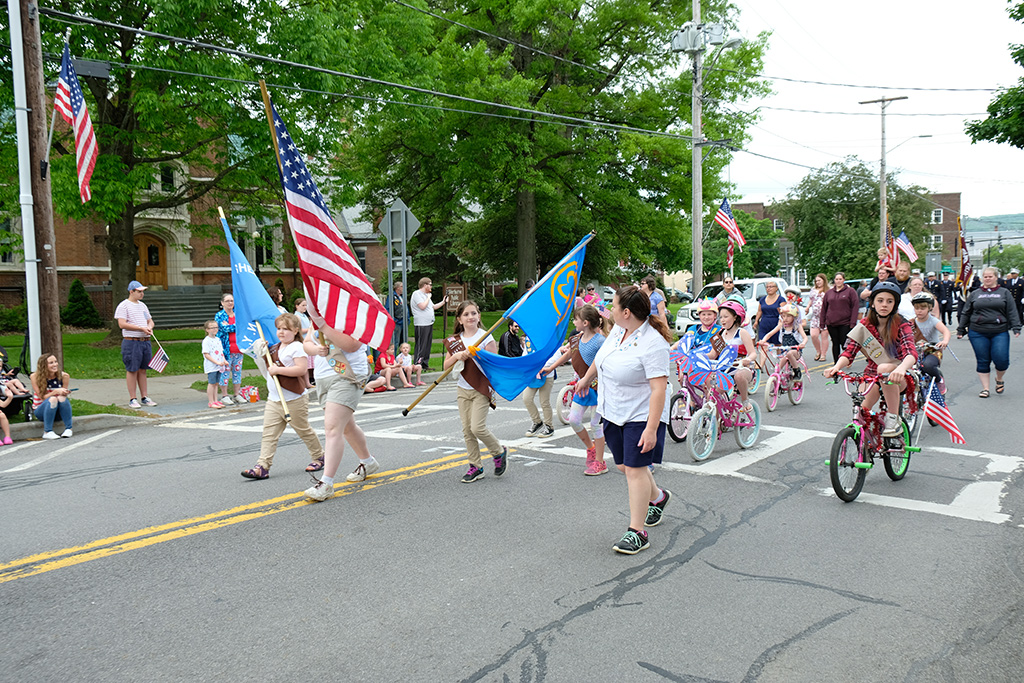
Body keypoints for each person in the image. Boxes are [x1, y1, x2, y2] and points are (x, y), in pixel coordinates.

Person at [575, 286, 672, 555]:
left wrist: (651, 429)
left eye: (614, 306)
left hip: (641, 415)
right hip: (612, 410)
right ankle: (659, 497)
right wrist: (586, 378)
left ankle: (637, 531)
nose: (609, 309)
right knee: (622, 466)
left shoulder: (654, 344)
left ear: (626, 312)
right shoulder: (618, 330)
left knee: (635, 470)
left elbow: (658, 389)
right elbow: (601, 357)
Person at [302, 320, 382, 501]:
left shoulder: (350, 310)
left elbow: (353, 345)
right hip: (323, 376)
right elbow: (307, 342)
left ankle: (326, 483)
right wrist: (316, 350)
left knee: (332, 427)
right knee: (346, 426)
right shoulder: (318, 312)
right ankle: (368, 462)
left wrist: (325, 328)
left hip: (348, 373)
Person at [825, 281, 918, 436]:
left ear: (895, 305)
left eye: (889, 301)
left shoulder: (901, 324)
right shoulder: (864, 325)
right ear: (873, 303)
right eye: (880, 300)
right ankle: (865, 445)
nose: (884, 305)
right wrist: (836, 367)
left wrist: (901, 368)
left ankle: (893, 419)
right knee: (861, 413)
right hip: (872, 376)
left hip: (900, 376)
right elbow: (849, 352)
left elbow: (911, 353)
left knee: (883, 369)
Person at [240, 313, 324, 480]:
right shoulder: (276, 347)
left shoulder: (297, 347)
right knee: (269, 434)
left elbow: (301, 369)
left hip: (294, 399)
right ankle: (262, 466)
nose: (281, 332)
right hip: (274, 399)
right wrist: (262, 351)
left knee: (303, 430)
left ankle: (319, 457)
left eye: (286, 329)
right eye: (279, 328)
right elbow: (267, 366)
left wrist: (279, 370)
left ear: (295, 331)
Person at [443, 300, 508, 483]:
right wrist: (457, 356)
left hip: (481, 387)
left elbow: (494, 364)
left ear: (478, 316)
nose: (470, 317)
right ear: (459, 319)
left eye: (473, 313)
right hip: (463, 389)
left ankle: (499, 451)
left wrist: (478, 353)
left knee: (477, 427)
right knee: (467, 430)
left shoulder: (485, 337)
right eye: (466, 314)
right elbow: (446, 366)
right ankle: (476, 466)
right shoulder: (455, 340)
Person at [543, 304, 608, 474]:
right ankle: (590, 448)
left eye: (576, 319)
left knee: (596, 425)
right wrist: (551, 367)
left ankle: (600, 462)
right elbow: (569, 354)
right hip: (581, 387)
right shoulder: (576, 338)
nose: (574, 322)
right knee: (574, 420)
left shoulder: (601, 341)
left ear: (585, 322)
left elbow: (603, 364)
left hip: (597, 388)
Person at [957, 267, 1022, 398]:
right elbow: (966, 311)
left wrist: (1016, 327)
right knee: (983, 360)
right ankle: (985, 389)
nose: (987, 279)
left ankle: (999, 378)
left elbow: (1012, 311)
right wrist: (961, 329)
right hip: (977, 331)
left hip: (999, 331)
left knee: (1001, 360)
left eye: (990, 276)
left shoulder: (1004, 293)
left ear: (996, 277)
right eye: (985, 276)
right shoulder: (975, 293)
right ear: (982, 278)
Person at [115, 280, 158, 409]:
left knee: (143, 370)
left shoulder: (143, 306)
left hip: (145, 341)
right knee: (132, 369)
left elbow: (150, 321)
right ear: (131, 291)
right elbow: (122, 324)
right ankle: (132, 398)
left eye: (143, 292)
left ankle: (144, 396)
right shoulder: (124, 306)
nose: (141, 294)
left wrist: (149, 327)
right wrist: (140, 328)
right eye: (139, 292)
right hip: (131, 341)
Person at [714, 300, 759, 409]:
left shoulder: (742, 333)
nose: (723, 320)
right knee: (714, 393)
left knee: (739, 376)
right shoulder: (719, 334)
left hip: (742, 368)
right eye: (721, 317)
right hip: (725, 370)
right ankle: (717, 419)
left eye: (726, 316)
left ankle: (745, 402)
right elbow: (713, 353)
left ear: (735, 317)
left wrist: (747, 360)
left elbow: (753, 353)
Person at [909, 292, 950, 394]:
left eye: (922, 308)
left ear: (929, 308)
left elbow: (946, 331)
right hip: (916, 350)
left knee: (928, 365)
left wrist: (944, 341)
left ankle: (938, 380)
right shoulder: (911, 322)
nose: (919, 311)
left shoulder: (933, 320)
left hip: (932, 350)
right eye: (917, 308)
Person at [820, 272, 861, 363]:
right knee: (835, 343)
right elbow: (824, 308)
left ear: (843, 280)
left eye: (840, 279)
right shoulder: (829, 293)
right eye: (837, 279)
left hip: (845, 322)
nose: (838, 281)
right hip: (831, 322)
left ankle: (847, 360)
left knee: (844, 343)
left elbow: (855, 306)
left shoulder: (850, 291)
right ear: (834, 280)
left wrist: (853, 322)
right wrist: (822, 322)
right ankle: (836, 362)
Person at [30, 353, 73, 440]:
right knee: (52, 399)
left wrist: (64, 392)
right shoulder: (35, 376)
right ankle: (47, 431)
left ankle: (69, 429)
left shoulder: (64, 376)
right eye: (51, 363)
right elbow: (42, 397)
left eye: (55, 362)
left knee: (62, 397)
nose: (55, 365)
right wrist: (55, 392)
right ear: (44, 366)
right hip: (41, 410)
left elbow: (62, 395)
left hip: (58, 411)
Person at [410, 278, 447, 371]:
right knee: (421, 345)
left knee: (427, 344)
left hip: (429, 323)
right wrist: (428, 297)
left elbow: (433, 307)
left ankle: (425, 364)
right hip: (421, 323)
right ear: (425, 285)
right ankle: (418, 364)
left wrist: (443, 302)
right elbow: (422, 306)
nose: (431, 286)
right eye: (430, 284)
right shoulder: (417, 294)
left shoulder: (426, 295)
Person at [215, 293, 245, 405]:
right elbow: (224, 328)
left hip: (238, 348)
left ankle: (237, 394)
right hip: (225, 349)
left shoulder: (238, 315)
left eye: (232, 301)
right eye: (227, 301)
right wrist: (237, 326)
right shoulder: (219, 315)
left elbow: (244, 327)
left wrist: (236, 326)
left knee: (237, 372)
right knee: (225, 372)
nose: (230, 303)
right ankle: (224, 395)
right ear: (222, 303)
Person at [762, 303, 806, 380]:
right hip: (785, 352)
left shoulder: (797, 326)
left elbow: (805, 337)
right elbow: (770, 334)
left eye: (788, 316)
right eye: (784, 316)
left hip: (796, 351)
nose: (785, 318)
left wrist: (802, 343)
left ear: (794, 317)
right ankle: (776, 384)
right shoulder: (781, 326)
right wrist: (763, 340)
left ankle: (797, 370)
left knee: (789, 354)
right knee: (778, 367)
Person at [202, 321, 228, 409]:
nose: (215, 329)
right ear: (207, 330)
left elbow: (221, 352)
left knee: (216, 383)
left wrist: (224, 360)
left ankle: (216, 400)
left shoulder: (218, 340)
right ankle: (211, 401)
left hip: (219, 365)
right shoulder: (206, 341)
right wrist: (216, 362)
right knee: (211, 383)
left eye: (216, 327)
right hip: (211, 366)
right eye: (212, 328)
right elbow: (206, 354)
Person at [806, 273, 830, 362]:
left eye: (819, 280)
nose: (818, 282)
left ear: (824, 280)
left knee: (824, 336)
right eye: (816, 281)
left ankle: (823, 354)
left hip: (825, 316)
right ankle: (818, 351)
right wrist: (808, 307)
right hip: (815, 316)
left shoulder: (828, 290)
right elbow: (811, 300)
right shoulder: (813, 290)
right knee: (814, 335)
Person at [388, 282, 407, 347]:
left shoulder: (402, 297)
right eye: (402, 286)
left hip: (403, 322)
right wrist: (394, 319)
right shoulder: (392, 297)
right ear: (397, 288)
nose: (403, 288)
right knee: (396, 341)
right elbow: (388, 308)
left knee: (403, 342)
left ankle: (402, 355)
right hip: (397, 322)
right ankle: (394, 356)